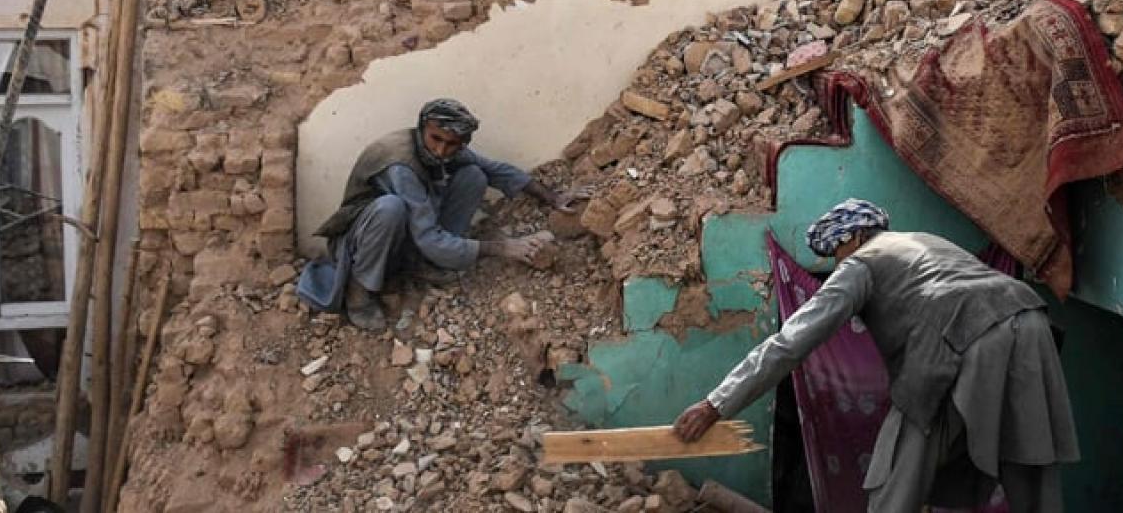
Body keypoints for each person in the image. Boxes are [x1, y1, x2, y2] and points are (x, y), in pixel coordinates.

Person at [673, 200, 1080, 513]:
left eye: (835, 254)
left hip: (958, 336)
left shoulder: (862, 263)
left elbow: (790, 342)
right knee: (1031, 471)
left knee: (897, 470)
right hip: (1030, 324)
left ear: (852, 239)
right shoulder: (927, 243)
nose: (836, 263)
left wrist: (717, 403)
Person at [296, 99, 584, 331]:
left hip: (409, 234)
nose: (441, 150)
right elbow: (427, 235)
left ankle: (429, 264)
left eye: (452, 144)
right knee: (391, 209)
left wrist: (551, 197)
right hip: (364, 239)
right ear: (422, 128)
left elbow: (495, 169)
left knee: (474, 175)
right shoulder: (401, 164)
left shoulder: (448, 150)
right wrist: (503, 248)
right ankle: (359, 294)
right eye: (435, 139)